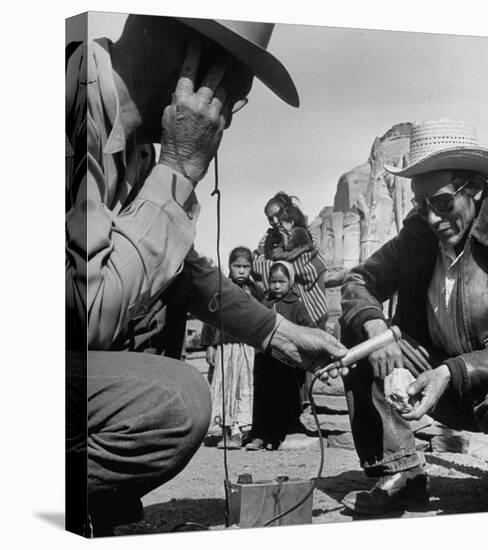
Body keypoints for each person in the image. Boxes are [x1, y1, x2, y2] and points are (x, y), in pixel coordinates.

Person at [65, 15, 348, 536]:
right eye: (232, 95)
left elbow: (188, 273)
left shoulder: (138, 147)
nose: (227, 120)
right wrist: (179, 170)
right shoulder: (59, 106)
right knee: (176, 401)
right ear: (191, 61)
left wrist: (278, 333)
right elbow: (83, 318)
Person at [339, 118, 488, 515]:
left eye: (443, 203)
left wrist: (450, 373)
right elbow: (359, 280)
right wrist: (377, 328)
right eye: (421, 204)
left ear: (476, 188)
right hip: (430, 366)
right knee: (362, 340)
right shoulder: (418, 234)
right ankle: (403, 475)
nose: (432, 218)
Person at [201, 247, 263, 449]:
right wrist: (210, 345)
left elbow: (263, 318)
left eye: (246, 266)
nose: (242, 271)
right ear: (230, 266)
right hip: (225, 348)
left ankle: (239, 431)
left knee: (243, 388)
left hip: (246, 348)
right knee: (225, 386)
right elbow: (210, 318)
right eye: (237, 266)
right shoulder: (221, 289)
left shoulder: (256, 292)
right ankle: (226, 431)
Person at [246, 262, 313, 450]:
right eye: (273, 281)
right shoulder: (265, 303)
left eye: (281, 282)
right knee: (262, 399)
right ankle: (258, 435)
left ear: (290, 282)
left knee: (282, 400)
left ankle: (275, 437)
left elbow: (308, 328)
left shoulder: (297, 305)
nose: (276, 286)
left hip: (287, 364)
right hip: (265, 360)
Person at [254, 192, 328, 328]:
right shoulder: (268, 238)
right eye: (270, 219)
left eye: (277, 215)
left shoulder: (305, 232)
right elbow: (257, 262)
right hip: (282, 307)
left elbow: (313, 260)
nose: (275, 221)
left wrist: (278, 266)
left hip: (309, 303)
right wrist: (283, 268)